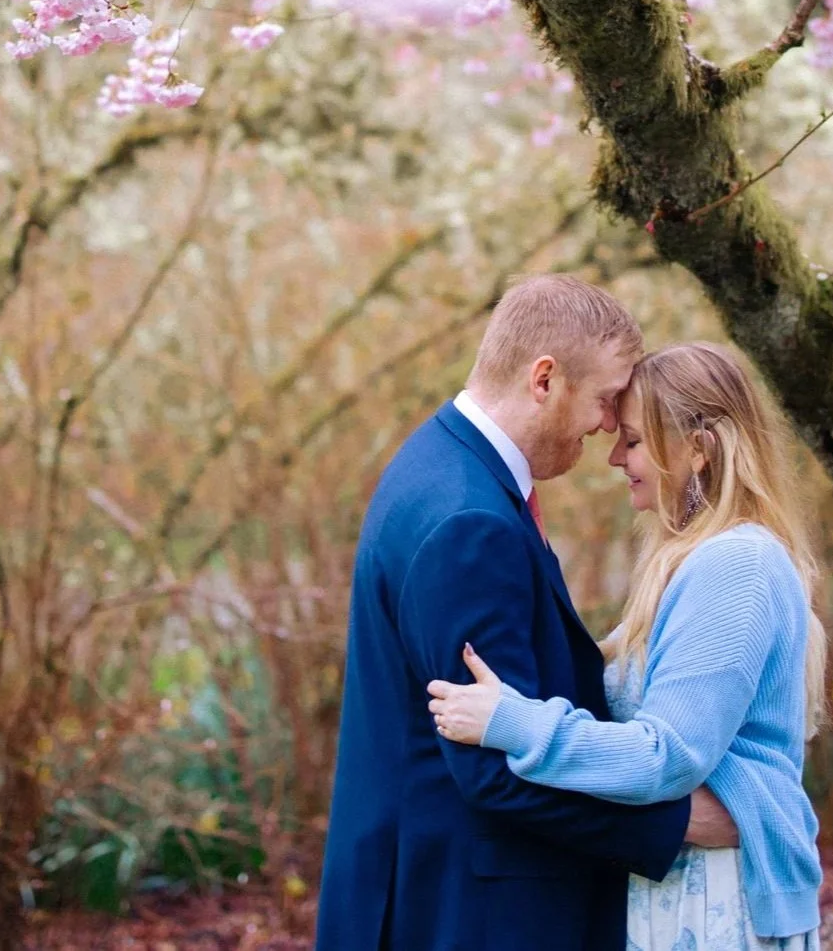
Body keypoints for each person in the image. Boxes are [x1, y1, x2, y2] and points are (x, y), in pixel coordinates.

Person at [316, 277, 740, 951]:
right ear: (544, 379)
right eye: (605, 399)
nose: (609, 426)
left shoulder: (440, 463)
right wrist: (675, 821)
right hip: (467, 911)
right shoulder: (468, 522)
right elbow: (493, 765)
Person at [428, 342, 824, 951]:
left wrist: (512, 721)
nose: (615, 456)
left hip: (717, 899)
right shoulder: (688, 563)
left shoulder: (737, 565)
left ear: (699, 449)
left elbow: (666, 757)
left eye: (634, 440)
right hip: (675, 883)